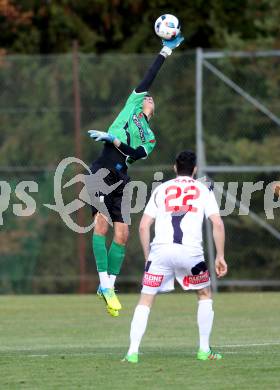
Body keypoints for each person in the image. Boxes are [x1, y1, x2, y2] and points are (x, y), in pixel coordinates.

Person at [87, 34, 184, 317]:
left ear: (153, 111)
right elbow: (149, 76)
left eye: (152, 100)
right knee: (101, 224)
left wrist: (114, 140)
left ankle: (108, 286)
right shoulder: (131, 107)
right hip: (102, 169)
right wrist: (166, 51)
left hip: (120, 177)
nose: (149, 98)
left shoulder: (150, 137)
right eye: (146, 97)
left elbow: (136, 153)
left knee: (123, 233)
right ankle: (105, 285)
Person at [123, 150, 228, 363]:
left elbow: (143, 226)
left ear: (174, 168)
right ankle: (204, 350)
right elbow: (217, 223)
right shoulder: (203, 189)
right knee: (204, 295)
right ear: (195, 169)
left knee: (145, 300)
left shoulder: (161, 189)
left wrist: (148, 258)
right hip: (191, 253)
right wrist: (220, 256)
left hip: (160, 252)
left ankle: (132, 352)